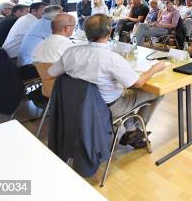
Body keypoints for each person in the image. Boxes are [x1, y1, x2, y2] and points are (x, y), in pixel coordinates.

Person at [47, 14, 166, 149]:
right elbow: (137, 83)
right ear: (109, 32)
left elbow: (50, 74)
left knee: (125, 91)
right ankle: (139, 130)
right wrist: (154, 69)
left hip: (78, 104)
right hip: (108, 107)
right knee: (157, 92)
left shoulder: (71, 52)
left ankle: (131, 129)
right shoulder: (112, 58)